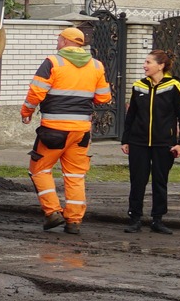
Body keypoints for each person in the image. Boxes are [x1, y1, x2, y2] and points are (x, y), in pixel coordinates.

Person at [20, 26, 112, 235]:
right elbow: (104, 97)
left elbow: (36, 91)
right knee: (75, 175)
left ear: (64, 41)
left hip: (54, 130)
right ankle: (74, 221)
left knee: (39, 169)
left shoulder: (53, 62)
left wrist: (26, 111)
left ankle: (52, 212)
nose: (57, 42)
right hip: (81, 131)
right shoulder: (96, 65)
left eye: (59, 39)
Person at [121, 49, 180, 234]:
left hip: (164, 143)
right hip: (138, 142)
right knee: (137, 181)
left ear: (161, 66)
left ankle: (157, 220)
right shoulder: (138, 86)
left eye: (148, 62)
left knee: (160, 181)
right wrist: (125, 140)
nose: (144, 65)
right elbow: (131, 115)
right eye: (145, 62)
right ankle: (135, 219)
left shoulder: (174, 86)